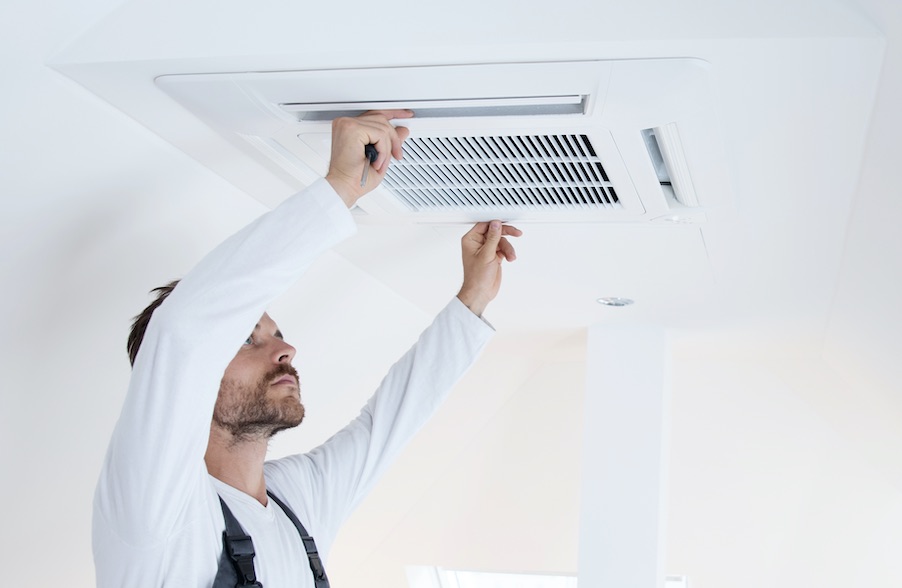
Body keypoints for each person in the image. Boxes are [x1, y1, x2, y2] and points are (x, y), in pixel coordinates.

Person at [92, 110, 522, 587]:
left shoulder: (295, 500)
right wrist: (340, 187)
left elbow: (389, 424)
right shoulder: (153, 510)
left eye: (275, 333)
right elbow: (183, 331)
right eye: (245, 336)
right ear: (185, 382)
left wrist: (474, 298)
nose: (286, 349)